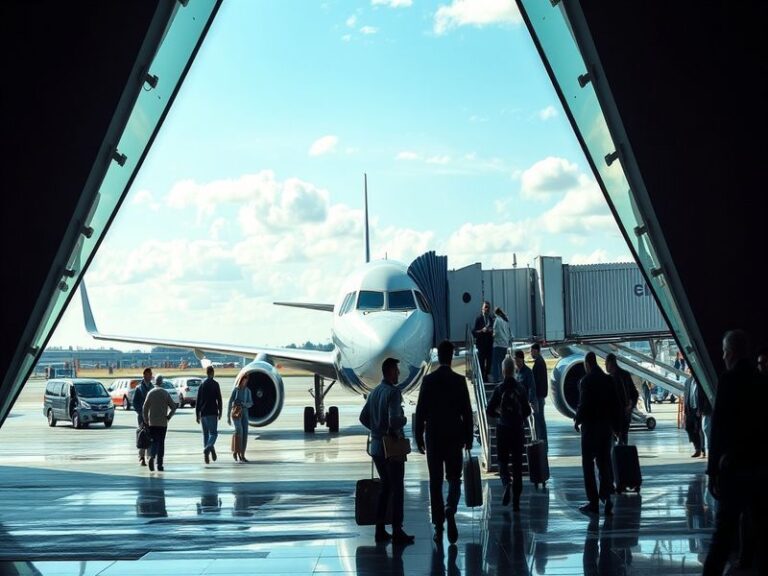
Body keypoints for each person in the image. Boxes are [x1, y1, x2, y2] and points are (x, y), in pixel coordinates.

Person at [703, 330, 768, 576]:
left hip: (734, 468)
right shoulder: (762, 381)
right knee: (762, 531)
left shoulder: (728, 381)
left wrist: (712, 472)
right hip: (760, 468)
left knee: (722, 536)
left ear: (730, 353)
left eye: (723, 352)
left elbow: (717, 429)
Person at [415, 340, 473, 544]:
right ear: (452, 356)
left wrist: (418, 436)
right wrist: (469, 438)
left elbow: (420, 411)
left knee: (435, 481)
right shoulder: (459, 381)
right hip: (454, 436)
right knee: (455, 478)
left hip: (433, 437)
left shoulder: (429, 381)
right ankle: (451, 508)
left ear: (438, 356)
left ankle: (439, 527)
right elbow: (467, 411)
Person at [359, 357, 415, 545]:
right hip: (391, 448)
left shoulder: (374, 392)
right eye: (397, 370)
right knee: (397, 488)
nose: (399, 373)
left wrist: (376, 430)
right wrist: (404, 421)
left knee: (385, 488)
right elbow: (394, 421)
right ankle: (397, 529)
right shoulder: (393, 392)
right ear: (390, 372)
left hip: (376, 447)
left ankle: (380, 528)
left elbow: (363, 417)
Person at [486, 356, 531, 511]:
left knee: (503, 462)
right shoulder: (520, 388)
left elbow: (489, 410)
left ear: (503, 370)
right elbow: (527, 411)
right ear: (514, 370)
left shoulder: (499, 389)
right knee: (518, 466)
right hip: (517, 430)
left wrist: (500, 414)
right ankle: (517, 503)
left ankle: (506, 484)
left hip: (503, 429)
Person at [574, 352, 616, 516]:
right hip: (606, 429)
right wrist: (615, 427)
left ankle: (593, 502)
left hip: (590, 430)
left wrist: (577, 420)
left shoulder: (586, 381)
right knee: (604, 462)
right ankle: (606, 497)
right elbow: (615, 404)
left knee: (588, 464)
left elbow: (583, 404)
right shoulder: (608, 380)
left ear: (587, 364)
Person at [141, 375, 177, 472]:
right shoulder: (165, 393)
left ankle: (152, 456)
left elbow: (144, 408)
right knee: (161, 443)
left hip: (152, 422)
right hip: (163, 423)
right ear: (162, 382)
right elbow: (173, 407)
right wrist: (169, 416)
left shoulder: (150, 393)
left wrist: (145, 420)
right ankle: (160, 465)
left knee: (154, 442)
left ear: (154, 382)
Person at [605, 353, 639, 445]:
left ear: (610, 364)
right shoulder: (625, 375)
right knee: (623, 443)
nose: (605, 366)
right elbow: (635, 394)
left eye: (606, 364)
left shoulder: (610, 379)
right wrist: (630, 406)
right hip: (625, 416)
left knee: (613, 446)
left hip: (615, 418)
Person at [196, 365, 223, 464]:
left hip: (203, 413)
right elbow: (219, 399)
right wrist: (220, 411)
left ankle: (206, 456)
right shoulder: (215, 384)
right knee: (214, 433)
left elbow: (198, 400)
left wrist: (197, 414)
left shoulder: (202, 385)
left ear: (206, 373)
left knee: (206, 434)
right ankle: (208, 447)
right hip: (212, 412)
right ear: (212, 373)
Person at [228, 377, 253, 462]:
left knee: (245, 434)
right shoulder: (236, 390)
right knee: (239, 431)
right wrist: (228, 416)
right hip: (236, 413)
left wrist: (245, 404)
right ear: (241, 381)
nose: (244, 383)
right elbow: (230, 401)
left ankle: (242, 455)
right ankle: (236, 451)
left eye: (246, 381)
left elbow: (251, 403)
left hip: (245, 414)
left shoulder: (248, 391)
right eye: (243, 381)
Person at [133, 367, 153, 466]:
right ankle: (141, 457)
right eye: (149, 374)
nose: (150, 376)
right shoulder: (139, 388)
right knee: (142, 435)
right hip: (142, 417)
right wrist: (140, 412)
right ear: (144, 375)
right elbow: (135, 403)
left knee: (151, 436)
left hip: (152, 417)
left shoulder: (153, 387)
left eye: (151, 374)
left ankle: (149, 457)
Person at [683, 367, 705, 458]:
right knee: (689, 428)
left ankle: (701, 449)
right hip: (690, 409)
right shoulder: (688, 381)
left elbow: (703, 396)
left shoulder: (701, 381)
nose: (690, 371)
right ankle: (697, 448)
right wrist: (685, 410)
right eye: (689, 370)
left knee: (699, 430)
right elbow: (686, 395)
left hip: (698, 409)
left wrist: (701, 409)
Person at [530, 343, 549, 445]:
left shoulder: (539, 363)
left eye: (532, 351)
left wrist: (534, 397)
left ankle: (542, 441)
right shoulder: (540, 362)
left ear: (536, 351)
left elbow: (536, 382)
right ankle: (543, 441)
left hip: (538, 396)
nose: (531, 353)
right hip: (541, 396)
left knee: (539, 419)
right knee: (540, 419)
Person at [472, 301, 494, 382]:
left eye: (488, 307)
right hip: (481, 345)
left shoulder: (491, 319)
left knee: (489, 364)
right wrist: (482, 330)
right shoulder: (478, 319)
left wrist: (491, 331)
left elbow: (494, 331)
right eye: (486, 307)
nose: (487, 309)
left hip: (489, 345)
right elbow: (474, 332)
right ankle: (482, 380)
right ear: (482, 309)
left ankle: (486, 378)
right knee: (481, 363)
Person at [491, 307, 512, 383]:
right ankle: (503, 378)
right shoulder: (505, 321)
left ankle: (496, 379)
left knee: (495, 362)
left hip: (497, 345)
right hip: (505, 345)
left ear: (497, 314)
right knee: (502, 363)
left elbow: (495, 333)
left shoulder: (497, 320)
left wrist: (492, 334)